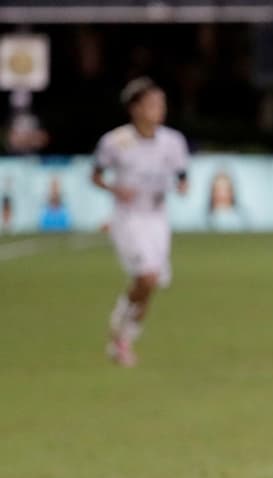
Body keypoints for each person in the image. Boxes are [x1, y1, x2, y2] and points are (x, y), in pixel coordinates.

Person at [91, 77, 189, 367]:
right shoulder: (116, 142)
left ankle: (124, 337)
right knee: (147, 276)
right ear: (135, 109)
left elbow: (182, 175)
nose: (159, 110)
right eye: (151, 104)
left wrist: (182, 186)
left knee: (151, 282)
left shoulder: (172, 141)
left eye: (161, 104)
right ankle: (122, 324)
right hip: (129, 217)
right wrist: (114, 189)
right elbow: (95, 175)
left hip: (157, 217)